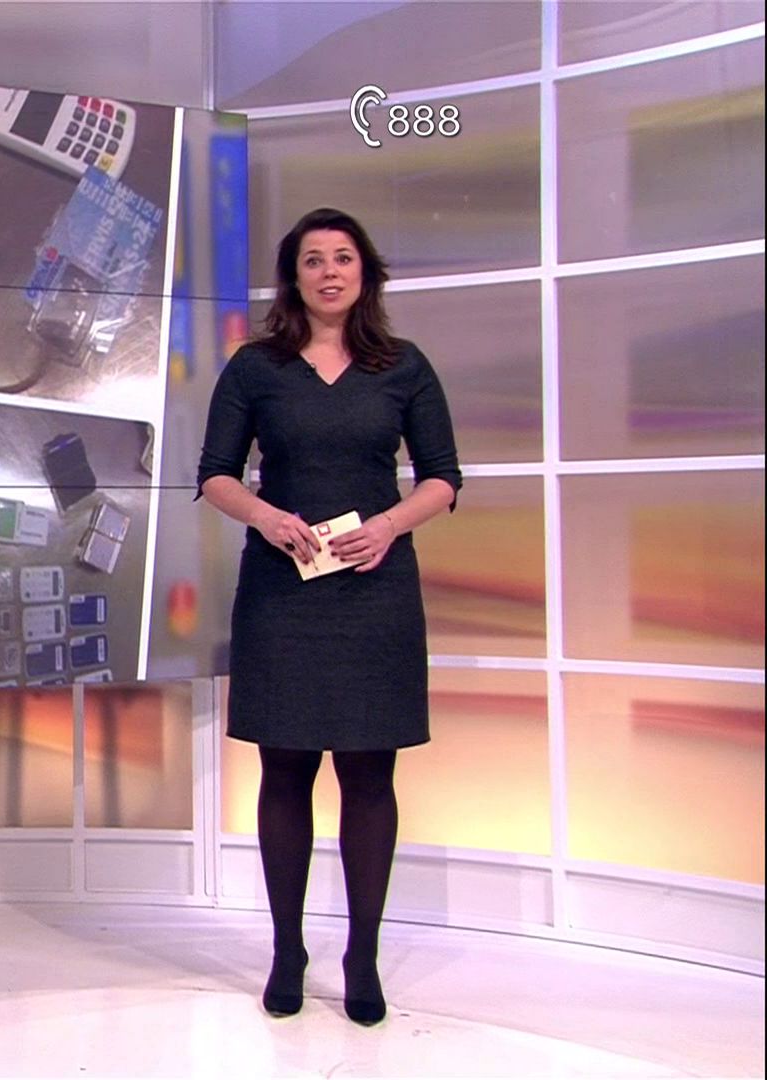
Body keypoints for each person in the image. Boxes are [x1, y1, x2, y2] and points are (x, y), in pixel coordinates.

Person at [195, 207, 463, 1026]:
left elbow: (443, 478)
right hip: (282, 592)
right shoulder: (256, 367)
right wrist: (266, 517)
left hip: (374, 593)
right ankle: (288, 950)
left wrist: (388, 525)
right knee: (284, 771)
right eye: (312, 260)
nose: (329, 272)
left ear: (365, 273)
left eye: (342, 258)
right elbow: (214, 474)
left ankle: (363, 955)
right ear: (295, 278)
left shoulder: (404, 366)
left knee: (369, 775)